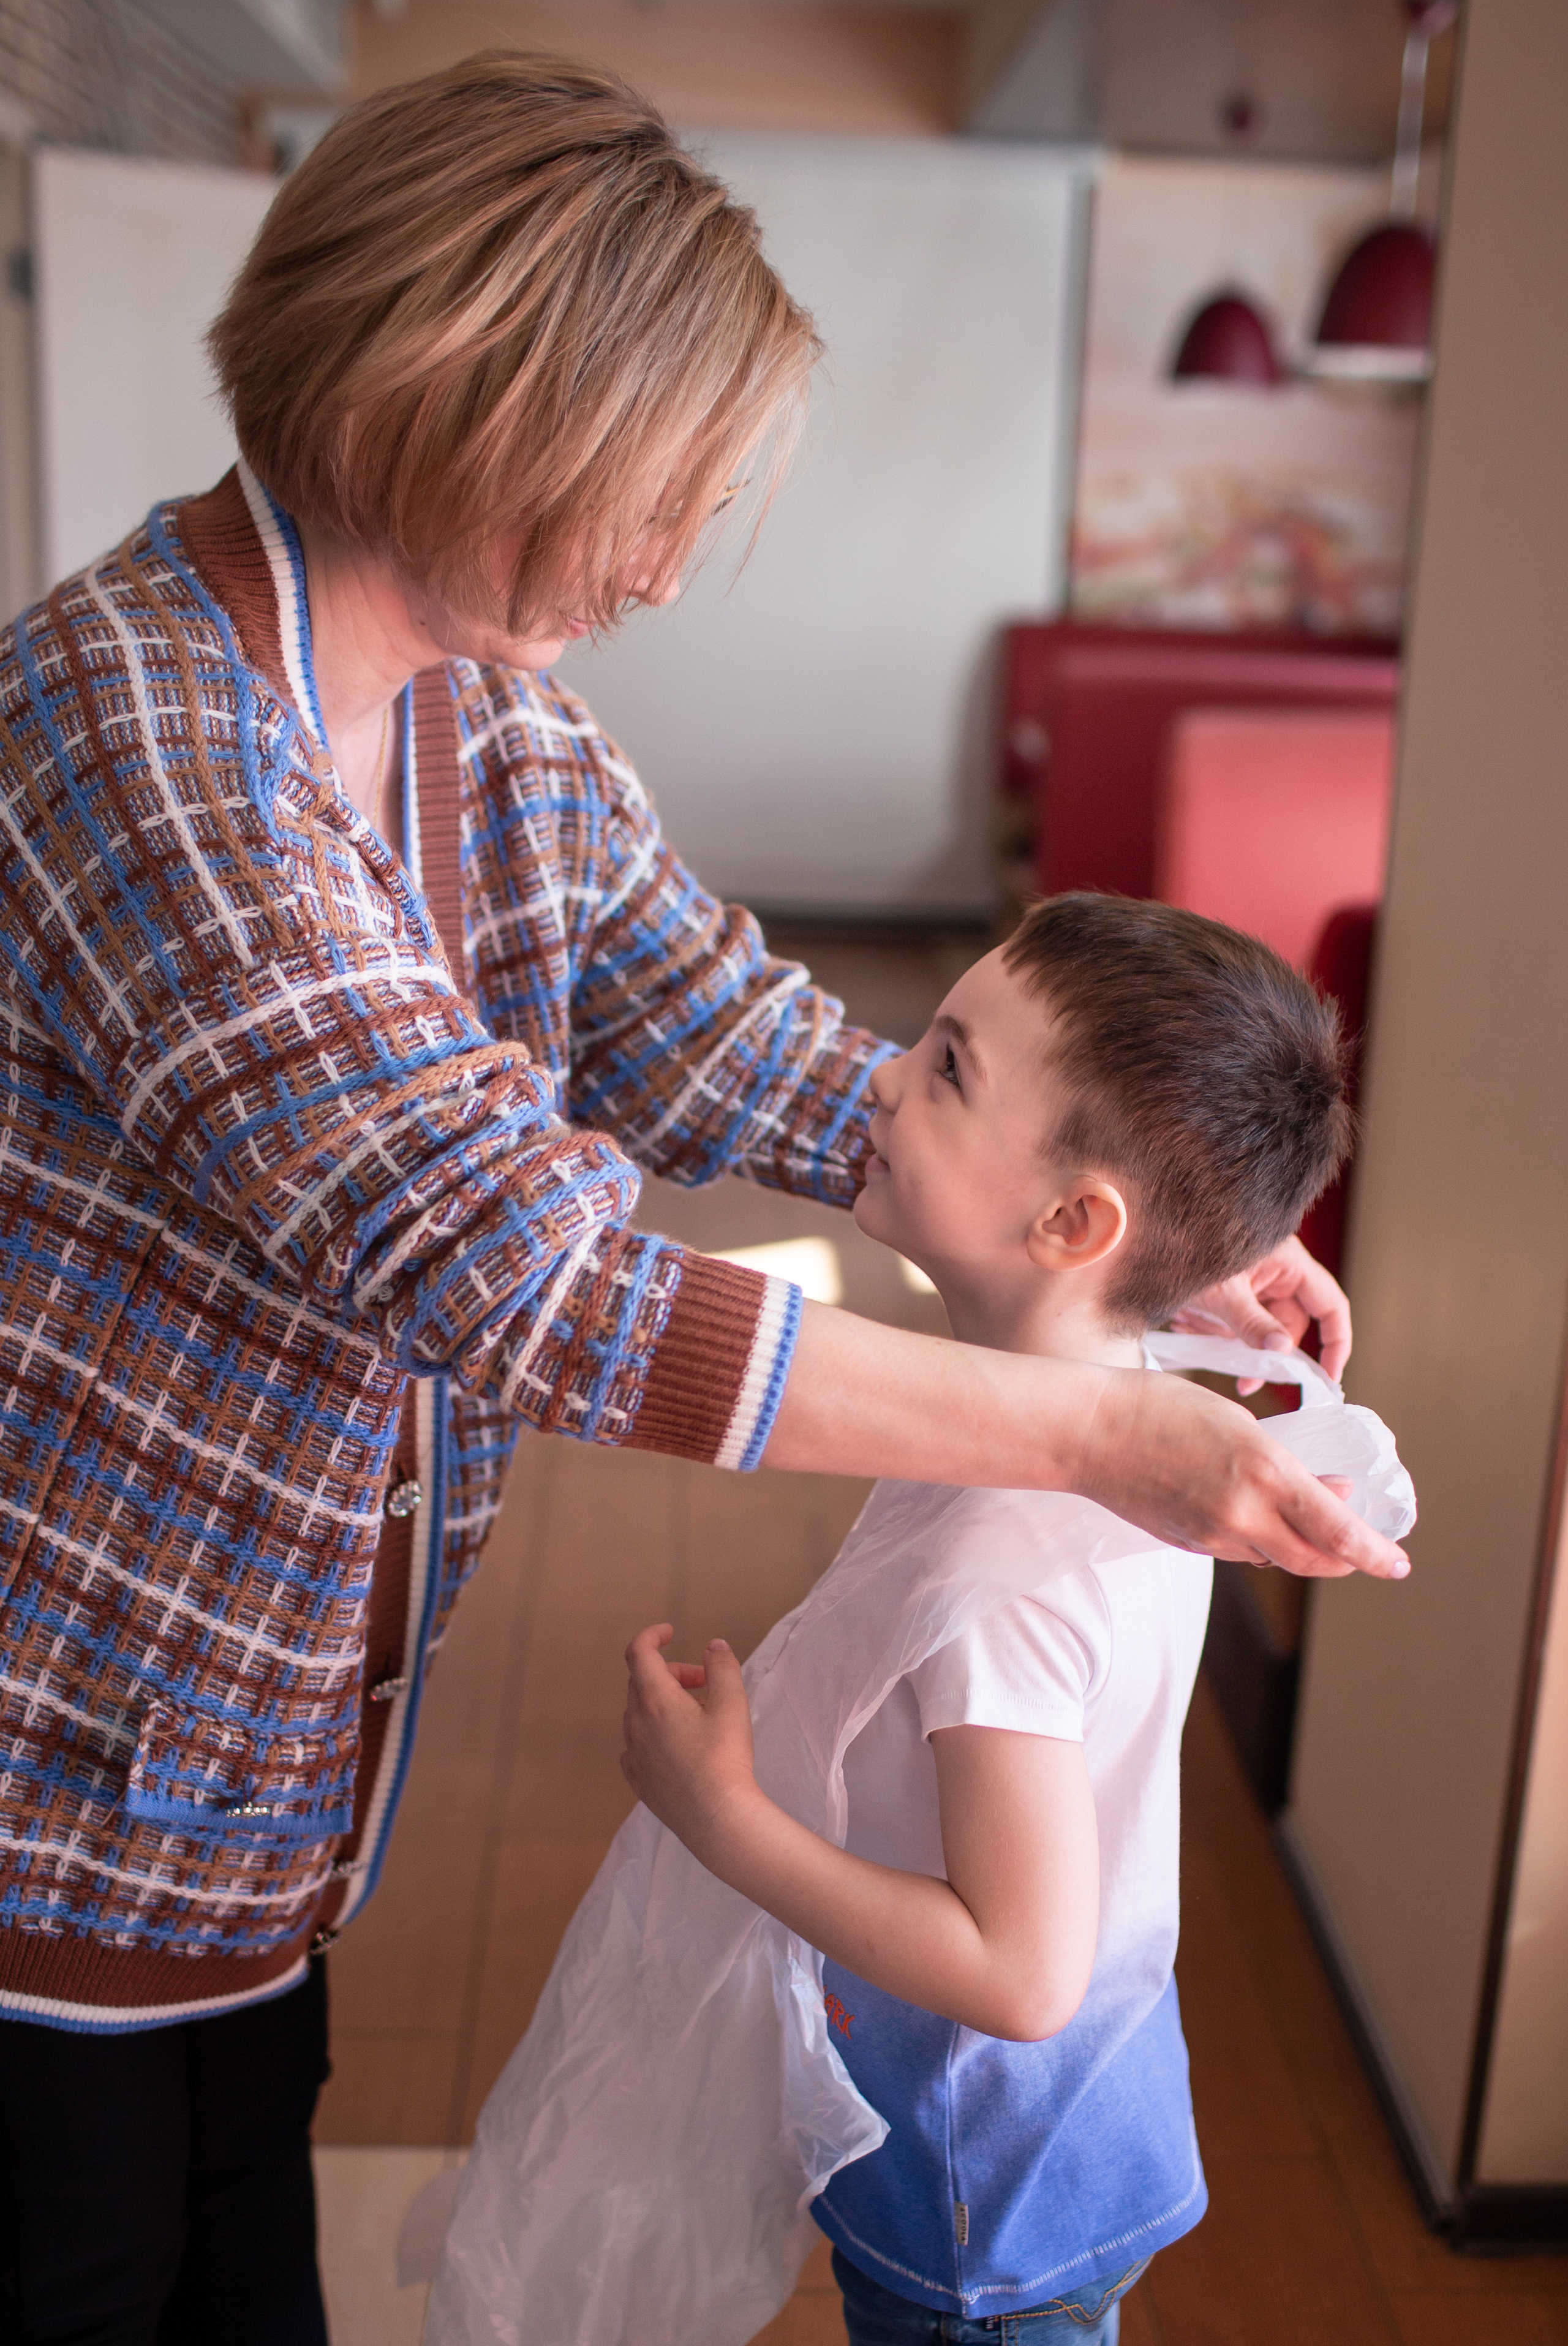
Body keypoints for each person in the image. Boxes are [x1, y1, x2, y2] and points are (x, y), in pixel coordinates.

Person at [0, 53, 1401, 2344]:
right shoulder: (139, 734)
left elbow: (727, 1029)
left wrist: (1150, 1220)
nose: (662, 567)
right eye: (641, 499)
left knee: (234, 2237)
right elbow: (528, 1279)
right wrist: (1096, 1425)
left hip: (261, 1771)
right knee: (89, 2258)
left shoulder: (488, 727)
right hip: (65, 1753)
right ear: (461, 411)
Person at [424, 896, 1412, 2346]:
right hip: (1068, 2141)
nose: (880, 1078)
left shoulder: (1003, 1571)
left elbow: (1019, 1976)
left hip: (978, 2213)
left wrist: (725, 1820)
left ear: (1073, 1223)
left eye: (945, 1068)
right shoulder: (1146, 1421)